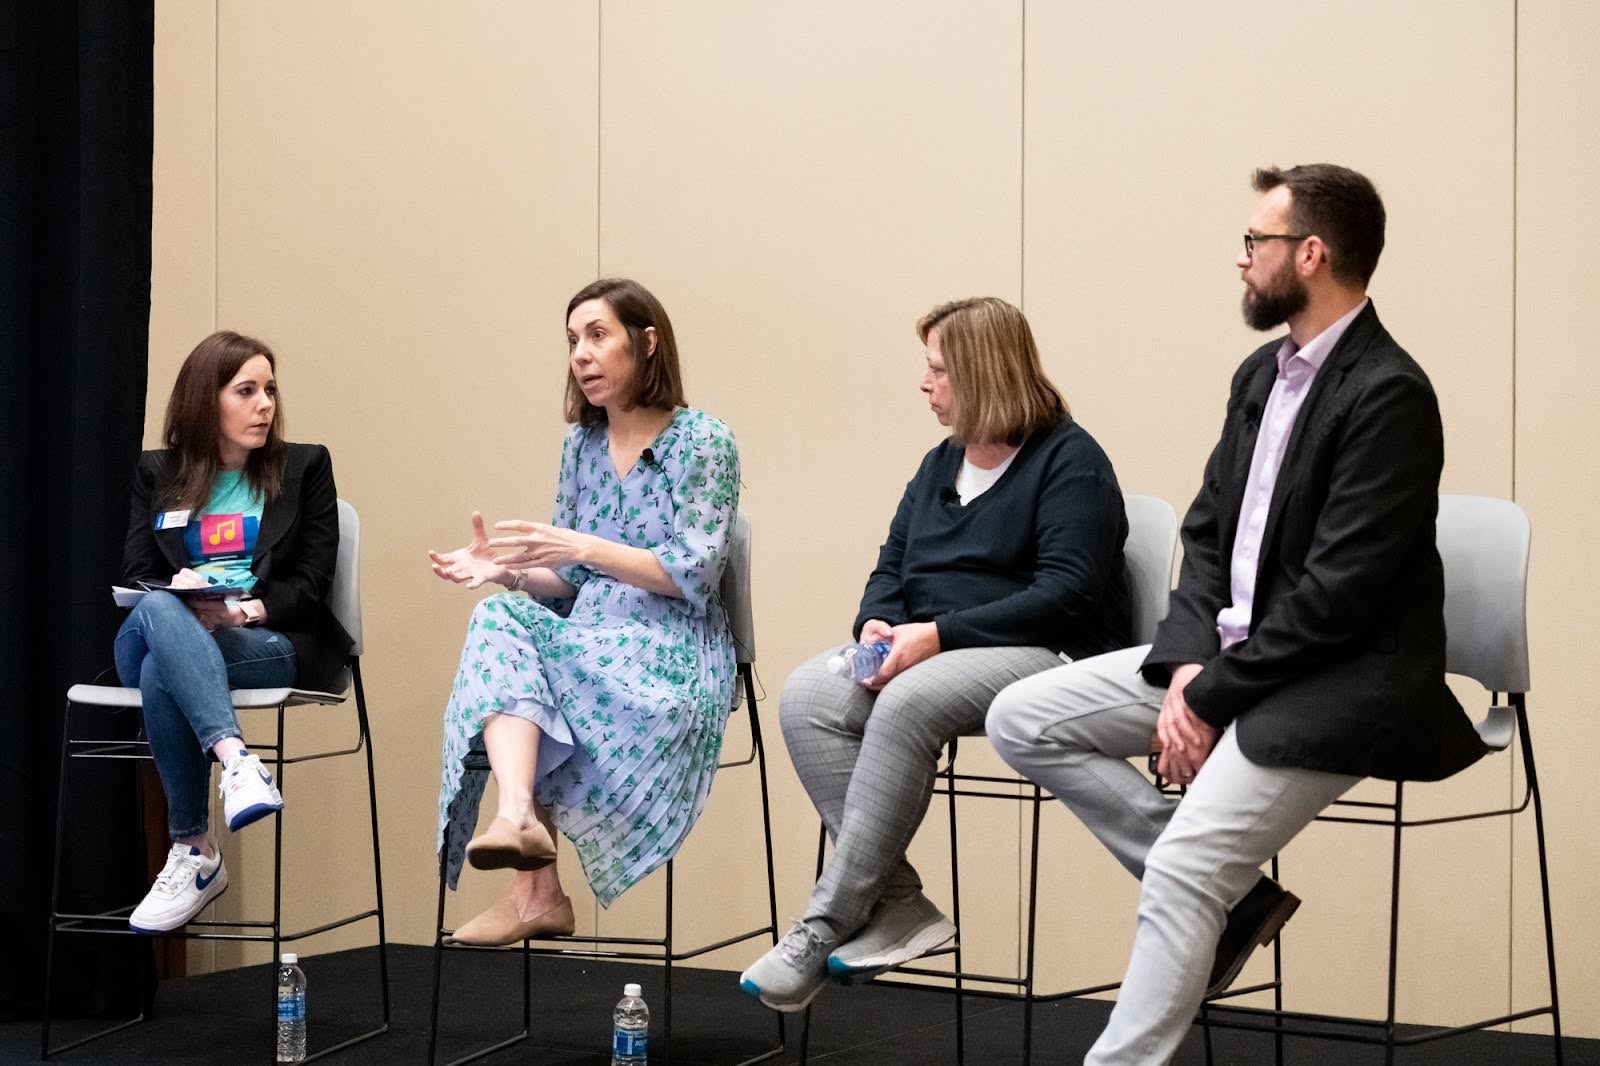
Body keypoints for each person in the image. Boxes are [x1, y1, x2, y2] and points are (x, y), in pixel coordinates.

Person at [986, 164, 1489, 1063]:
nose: (1242, 260)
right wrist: (1185, 668)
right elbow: (1208, 533)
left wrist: (1209, 697)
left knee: (1182, 868)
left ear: (1311, 254)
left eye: (1256, 243)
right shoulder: (1263, 372)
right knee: (1023, 714)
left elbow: (1338, 600)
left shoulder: (1389, 395)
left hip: (1343, 679)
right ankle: (1242, 900)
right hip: (1230, 665)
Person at [739, 296, 1133, 1012]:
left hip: (1045, 654)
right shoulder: (938, 464)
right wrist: (876, 625)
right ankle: (898, 906)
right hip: (931, 647)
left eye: (939, 370)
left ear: (982, 373)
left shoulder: (1071, 461)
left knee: (908, 700)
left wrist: (937, 635)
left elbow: (1068, 593)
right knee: (807, 695)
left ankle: (825, 921)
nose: (926, 385)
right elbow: (891, 564)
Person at [430, 277, 740, 944]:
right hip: (594, 637)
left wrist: (590, 548)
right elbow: (571, 579)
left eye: (598, 336)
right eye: (573, 341)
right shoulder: (583, 445)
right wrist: (508, 571)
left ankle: (534, 887)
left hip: (672, 648)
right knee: (496, 618)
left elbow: (693, 573)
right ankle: (520, 825)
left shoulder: (705, 441)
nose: (581, 354)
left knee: (526, 669)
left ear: (647, 342)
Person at [118, 331, 350, 933]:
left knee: (156, 672)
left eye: (270, 389)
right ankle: (237, 760)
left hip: (260, 639)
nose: (265, 404)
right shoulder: (157, 472)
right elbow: (138, 575)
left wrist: (241, 611)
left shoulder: (304, 467)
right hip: (162, 626)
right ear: (205, 401)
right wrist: (186, 589)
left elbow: (311, 581)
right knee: (160, 610)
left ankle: (194, 849)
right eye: (246, 391)